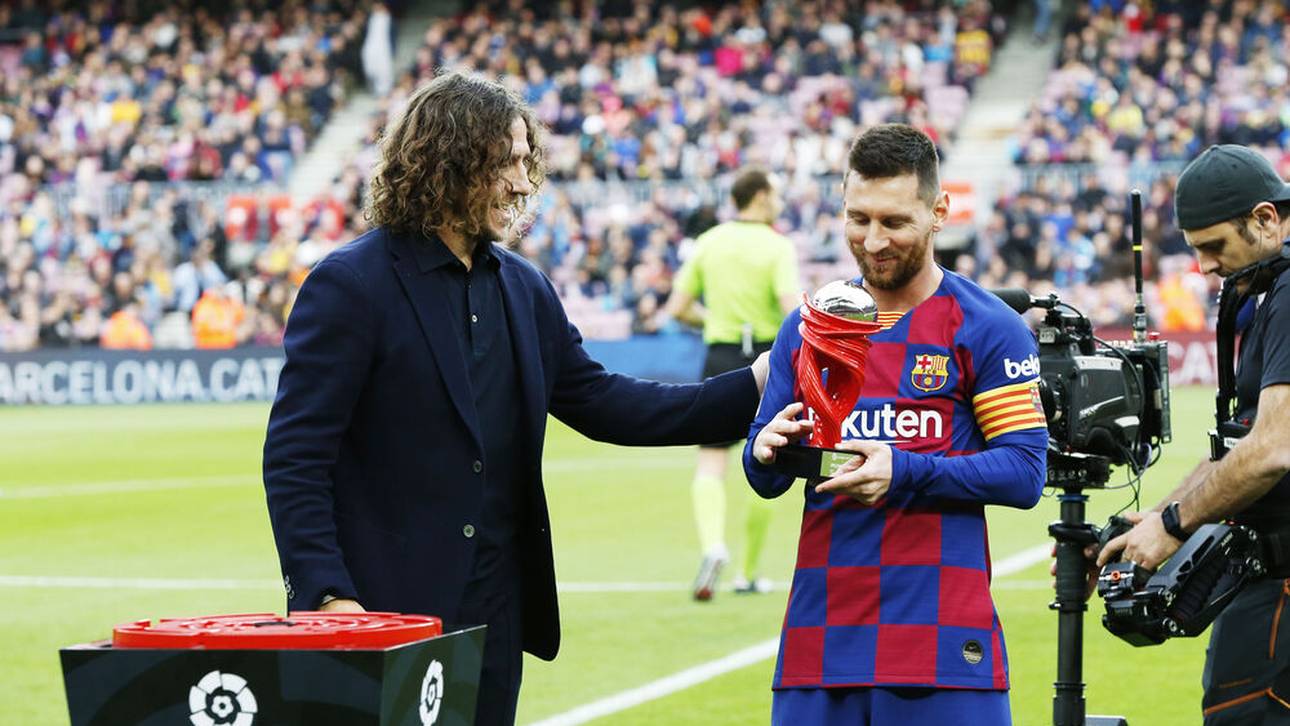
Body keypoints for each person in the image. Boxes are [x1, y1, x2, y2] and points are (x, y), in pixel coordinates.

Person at [261, 71, 768, 726]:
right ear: (448, 160)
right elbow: (296, 458)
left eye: (527, 161)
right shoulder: (351, 285)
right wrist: (329, 597)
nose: (524, 182)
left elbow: (606, 403)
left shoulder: (524, 289)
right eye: (507, 162)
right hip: (381, 615)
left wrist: (754, 385)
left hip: (495, 617)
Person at [744, 123, 1047, 725]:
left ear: (939, 213)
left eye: (894, 222)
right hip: (820, 640)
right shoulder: (808, 326)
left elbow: (1023, 472)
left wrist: (902, 469)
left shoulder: (986, 326)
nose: (874, 240)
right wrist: (765, 450)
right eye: (858, 219)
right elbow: (766, 476)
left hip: (941, 643)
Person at [1098, 144, 1290, 724]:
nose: (1204, 266)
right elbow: (1241, 442)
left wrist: (1173, 527)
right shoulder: (1272, 291)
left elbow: (1272, 450)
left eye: (1214, 246)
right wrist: (1157, 516)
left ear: (1265, 219)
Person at [664, 167, 801, 600]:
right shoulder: (777, 246)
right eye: (776, 194)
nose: (780, 201)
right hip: (767, 358)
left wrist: (714, 320)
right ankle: (748, 572)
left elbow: (678, 306)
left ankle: (713, 546)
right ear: (759, 196)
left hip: (720, 354)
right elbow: (792, 309)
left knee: (710, 460)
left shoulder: (709, 242)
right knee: (772, 455)